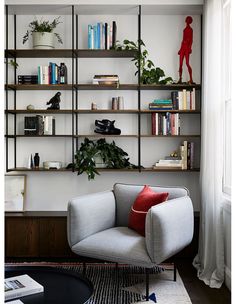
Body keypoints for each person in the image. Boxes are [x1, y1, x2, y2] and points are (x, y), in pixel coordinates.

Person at [178, 16, 194, 84]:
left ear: (189, 21)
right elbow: (183, 39)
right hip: (183, 47)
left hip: (187, 48)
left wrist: (190, 47)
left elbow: (191, 40)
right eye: (186, 19)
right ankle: (180, 78)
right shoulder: (184, 29)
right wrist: (180, 48)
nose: (186, 20)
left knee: (187, 63)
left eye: (188, 19)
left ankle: (191, 79)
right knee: (180, 64)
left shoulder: (190, 29)